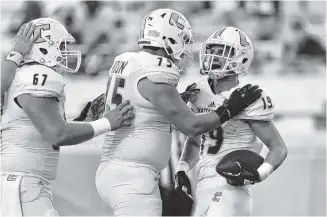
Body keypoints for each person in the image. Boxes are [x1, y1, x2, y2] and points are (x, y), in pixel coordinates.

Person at [94, 9, 262, 216]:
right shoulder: (157, 70)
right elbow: (192, 127)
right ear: (168, 38)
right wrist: (230, 108)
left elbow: (146, 103)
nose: (185, 47)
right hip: (131, 176)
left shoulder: (128, 60)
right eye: (182, 39)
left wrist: (180, 99)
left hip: (119, 169)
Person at [0, 18, 134, 216]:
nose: (65, 52)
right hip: (24, 184)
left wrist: (84, 122)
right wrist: (107, 123)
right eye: (61, 46)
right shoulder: (37, 76)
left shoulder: (22, 75)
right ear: (44, 49)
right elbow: (57, 134)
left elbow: (47, 128)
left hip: (22, 181)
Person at [175, 27, 288, 216]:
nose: (215, 56)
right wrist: (182, 169)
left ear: (241, 57)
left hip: (230, 189)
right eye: (212, 50)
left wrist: (260, 174)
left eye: (222, 52)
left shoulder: (249, 96)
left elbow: (278, 147)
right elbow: (195, 140)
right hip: (203, 187)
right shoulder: (198, 89)